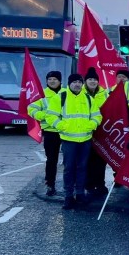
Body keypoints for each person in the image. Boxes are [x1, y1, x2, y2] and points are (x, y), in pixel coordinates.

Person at [49, 73, 101, 210]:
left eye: (79, 82)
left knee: (82, 168)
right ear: (69, 83)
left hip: (85, 139)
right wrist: (61, 126)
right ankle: (68, 196)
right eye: (74, 82)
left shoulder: (88, 98)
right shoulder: (60, 97)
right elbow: (51, 116)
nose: (77, 84)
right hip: (68, 140)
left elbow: (97, 116)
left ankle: (80, 194)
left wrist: (91, 125)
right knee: (69, 168)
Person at [29, 70, 64, 196]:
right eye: (49, 79)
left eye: (55, 79)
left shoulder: (66, 92)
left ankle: (71, 185)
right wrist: (46, 116)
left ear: (60, 81)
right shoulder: (41, 94)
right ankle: (50, 184)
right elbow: (31, 109)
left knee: (70, 160)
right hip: (50, 132)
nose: (52, 81)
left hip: (66, 131)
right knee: (51, 160)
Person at [83, 67, 110, 196]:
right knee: (87, 159)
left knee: (100, 159)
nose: (92, 81)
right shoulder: (80, 93)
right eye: (90, 79)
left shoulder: (104, 94)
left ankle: (100, 184)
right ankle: (89, 184)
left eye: (95, 79)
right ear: (85, 81)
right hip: (86, 131)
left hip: (101, 131)